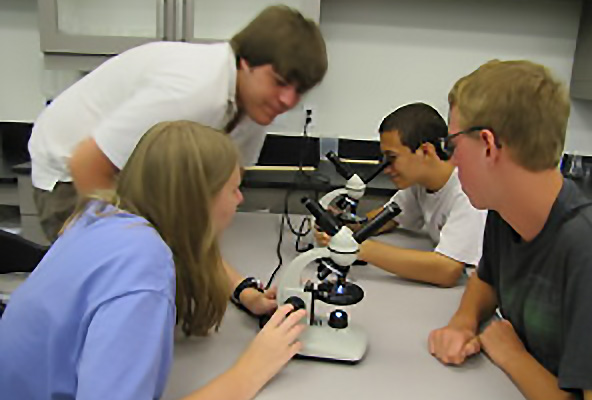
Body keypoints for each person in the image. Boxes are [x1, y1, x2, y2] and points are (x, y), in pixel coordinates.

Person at [0, 121, 307, 400]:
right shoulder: (142, 271)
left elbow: (194, 249)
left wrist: (245, 292)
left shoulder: (103, 216)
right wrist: (251, 370)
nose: (240, 200)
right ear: (198, 201)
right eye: (234, 189)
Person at [29, 4, 328, 243]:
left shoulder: (257, 103)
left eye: (299, 91)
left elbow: (222, 190)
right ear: (245, 62)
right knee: (116, 273)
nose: (288, 101)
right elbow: (87, 163)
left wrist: (239, 288)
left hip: (126, 172)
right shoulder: (194, 90)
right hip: (70, 172)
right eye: (279, 83)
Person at [428, 60, 592, 400]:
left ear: (489, 145)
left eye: (454, 146)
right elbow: (487, 278)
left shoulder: (588, 248)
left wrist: (511, 355)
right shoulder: (504, 212)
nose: (452, 161)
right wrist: (463, 321)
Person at [315, 103, 487, 287]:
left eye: (392, 158)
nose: (386, 169)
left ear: (425, 151)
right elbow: (386, 219)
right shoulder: (420, 184)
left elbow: (446, 271)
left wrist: (356, 248)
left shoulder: (468, 191)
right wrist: (342, 225)